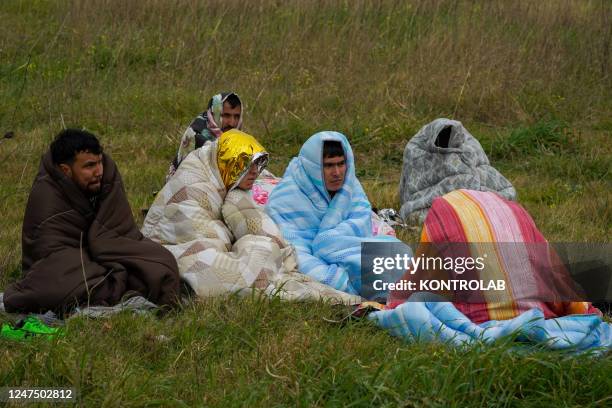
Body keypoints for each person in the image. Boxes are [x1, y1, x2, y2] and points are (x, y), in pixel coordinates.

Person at [143, 129, 358, 303]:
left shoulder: (352, 189)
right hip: (175, 255)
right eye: (247, 164)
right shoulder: (193, 188)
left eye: (257, 164)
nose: (255, 172)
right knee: (255, 265)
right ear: (228, 162)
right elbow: (190, 233)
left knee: (266, 262)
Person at [1, 129, 181, 314]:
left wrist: (107, 250)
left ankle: (114, 286)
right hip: (65, 260)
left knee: (162, 263)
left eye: (99, 162)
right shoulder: (46, 193)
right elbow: (49, 249)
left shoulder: (106, 174)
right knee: (60, 288)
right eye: (89, 166)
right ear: (66, 170)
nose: (98, 171)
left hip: (105, 252)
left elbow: (119, 228)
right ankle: (116, 289)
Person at [265, 131, 403, 295]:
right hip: (314, 263)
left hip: (347, 257)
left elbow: (360, 228)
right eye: (329, 165)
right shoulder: (286, 198)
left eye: (341, 163)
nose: (337, 173)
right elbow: (294, 251)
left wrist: (329, 242)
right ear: (312, 166)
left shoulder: (351, 186)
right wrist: (338, 278)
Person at [167, 92, 243, 179]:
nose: (232, 123)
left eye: (236, 116)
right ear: (215, 114)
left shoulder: (233, 134)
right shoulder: (197, 134)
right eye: (226, 115)